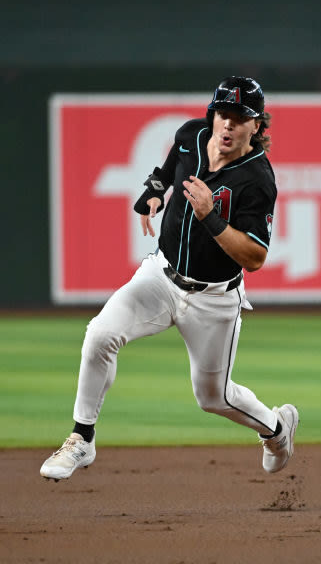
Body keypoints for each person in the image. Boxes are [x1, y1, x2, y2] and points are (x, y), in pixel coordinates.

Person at [40, 76, 299, 481]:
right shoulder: (191, 135)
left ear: (257, 126)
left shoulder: (258, 180)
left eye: (239, 117)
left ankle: (276, 429)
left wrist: (210, 218)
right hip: (161, 277)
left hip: (214, 299)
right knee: (100, 335)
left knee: (213, 398)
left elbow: (256, 257)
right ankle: (81, 438)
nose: (227, 124)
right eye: (222, 114)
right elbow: (166, 171)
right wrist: (154, 192)